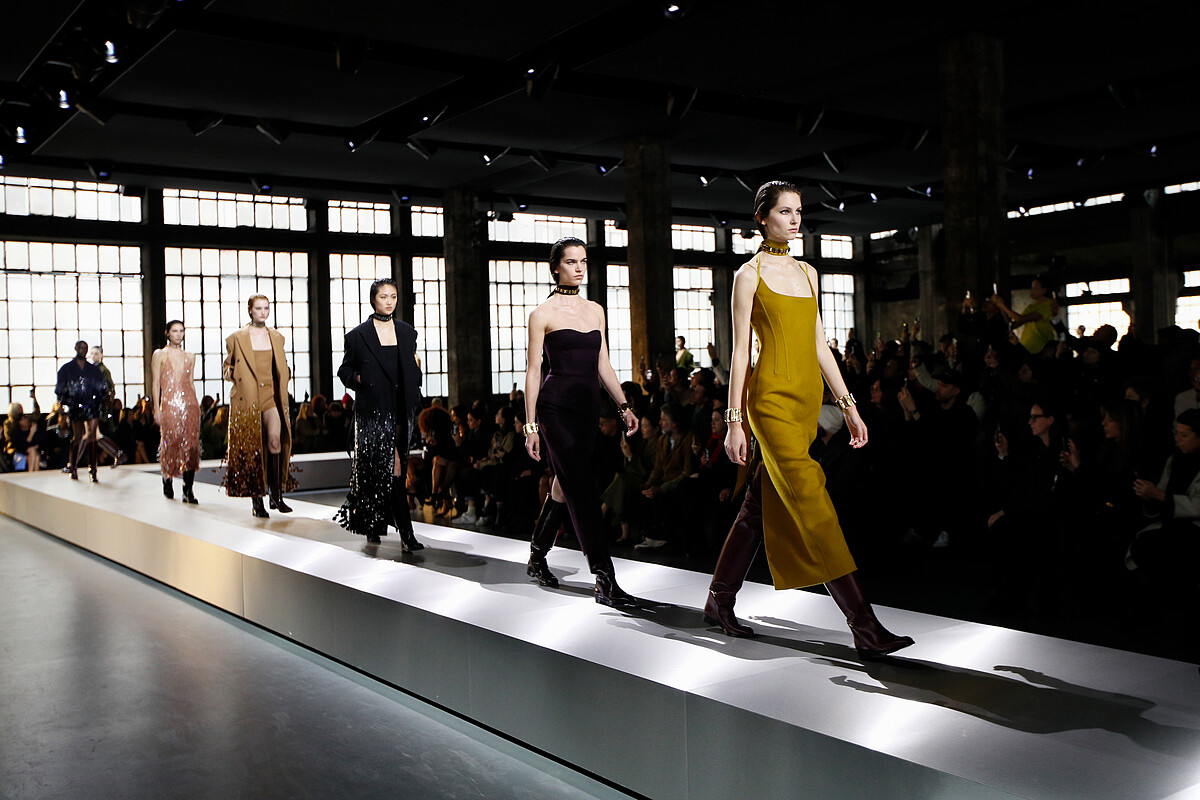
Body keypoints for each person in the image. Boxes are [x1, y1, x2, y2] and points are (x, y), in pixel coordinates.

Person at [704, 181, 914, 658]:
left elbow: (820, 344)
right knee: (815, 504)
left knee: (758, 506)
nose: (795, 219)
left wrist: (848, 405)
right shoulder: (748, 275)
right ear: (762, 217)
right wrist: (734, 420)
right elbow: (740, 353)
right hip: (769, 402)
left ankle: (719, 600)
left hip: (806, 402)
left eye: (798, 211)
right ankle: (864, 625)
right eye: (784, 211)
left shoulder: (808, 271)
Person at [523, 237, 640, 606]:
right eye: (571, 262)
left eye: (583, 261)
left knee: (564, 484)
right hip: (555, 408)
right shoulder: (542, 314)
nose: (579, 268)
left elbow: (603, 363)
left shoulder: (595, 310)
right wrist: (530, 425)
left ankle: (536, 556)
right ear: (555, 267)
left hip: (588, 407)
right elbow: (533, 370)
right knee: (581, 487)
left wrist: (623, 406)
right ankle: (604, 577)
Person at [335, 278, 424, 550]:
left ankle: (373, 524)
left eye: (393, 296)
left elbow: (412, 366)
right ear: (373, 299)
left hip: (401, 410)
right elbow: (344, 371)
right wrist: (360, 379)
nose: (389, 301)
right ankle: (406, 534)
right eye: (383, 296)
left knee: (393, 469)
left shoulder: (407, 332)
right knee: (390, 469)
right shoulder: (358, 336)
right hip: (373, 411)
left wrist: (416, 378)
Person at [222, 294, 296, 518]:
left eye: (266, 308)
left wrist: (286, 375)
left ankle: (276, 496)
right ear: (250, 311)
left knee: (275, 441)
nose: (263, 312)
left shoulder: (277, 337)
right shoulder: (236, 338)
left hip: (272, 395)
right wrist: (237, 374)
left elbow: (283, 366)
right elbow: (226, 369)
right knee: (253, 448)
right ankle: (257, 501)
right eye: (258, 308)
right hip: (249, 397)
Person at [151, 320, 201, 503]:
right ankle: (167, 478)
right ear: (167, 333)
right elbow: (156, 383)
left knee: (191, 445)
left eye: (181, 331)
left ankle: (188, 490)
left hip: (189, 404)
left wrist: (197, 406)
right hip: (169, 405)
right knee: (170, 442)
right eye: (174, 331)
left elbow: (191, 383)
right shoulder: (159, 354)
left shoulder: (190, 356)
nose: (178, 334)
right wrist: (157, 409)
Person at [55, 340, 110, 481]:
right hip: (75, 405)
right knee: (78, 437)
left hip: (91, 405)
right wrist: (66, 400)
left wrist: (100, 400)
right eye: (80, 347)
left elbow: (103, 386)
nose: (82, 349)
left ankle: (93, 470)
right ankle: (73, 466)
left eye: (85, 347)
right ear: (75, 348)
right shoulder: (67, 368)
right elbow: (60, 387)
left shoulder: (93, 370)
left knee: (92, 436)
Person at [991, 275, 1057, 358]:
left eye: (1035, 288)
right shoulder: (1031, 307)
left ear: (1044, 290)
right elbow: (1012, 325)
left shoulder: (1049, 305)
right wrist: (1001, 308)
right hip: (1026, 347)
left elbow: (1020, 318)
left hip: (1041, 349)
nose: (1031, 290)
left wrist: (1002, 305)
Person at [4, 398, 43, 472]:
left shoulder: (29, 427)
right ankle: (32, 473)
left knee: (35, 454)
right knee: (33, 454)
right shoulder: (12, 427)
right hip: (17, 450)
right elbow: (19, 444)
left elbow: (39, 442)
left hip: (30, 451)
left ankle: (33, 473)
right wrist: (31, 434)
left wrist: (34, 400)